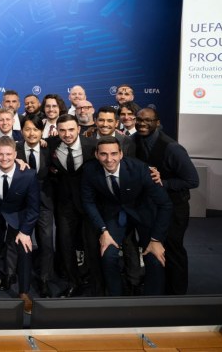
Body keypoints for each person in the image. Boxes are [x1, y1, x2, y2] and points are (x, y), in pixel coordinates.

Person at [81, 137, 173, 296]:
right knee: (108, 255)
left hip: (143, 212)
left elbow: (166, 204)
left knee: (154, 255)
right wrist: (103, 231)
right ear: (96, 155)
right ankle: (116, 299)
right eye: (103, 154)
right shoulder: (89, 170)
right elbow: (88, 202)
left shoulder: (140, 169)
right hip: (114, 213)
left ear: (121, 154)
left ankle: (154, 300)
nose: (109, 159)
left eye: (113, 154)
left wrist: (156, 239)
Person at [134, 107, 199, 295]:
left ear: (157, 123)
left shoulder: (172, 148)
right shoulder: (133, 141)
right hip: (149, 208)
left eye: (147, 120)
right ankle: (157, 291)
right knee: (152, 250)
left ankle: (177, 294)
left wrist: (164, 182)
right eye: (139, 120)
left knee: (172, 249)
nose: (142, 124)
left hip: (175, 208)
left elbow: (193, 181)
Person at [0, 137, 39, 314]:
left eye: (9, 154)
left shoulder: (28, 175)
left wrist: (25, 231)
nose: (4, 158)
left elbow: (33, 208)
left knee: (25, 248)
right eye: (0, 154)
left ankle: (24, 293)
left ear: (16, 155)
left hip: (18, 214)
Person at [47, 114, 103, 297]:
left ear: (79, 129)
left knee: (91, 243)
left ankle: (95, 283)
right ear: (57, 131)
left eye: (71, 129)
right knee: (65, 243)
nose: (67, 134)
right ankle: (73, 281)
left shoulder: (92, 146)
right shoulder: (50, 144)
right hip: (64, 204)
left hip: (89, 203)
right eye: (62, 130)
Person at [17, 113, 54, 297]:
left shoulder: (50, 148)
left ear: (42, 131)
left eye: (36, 129)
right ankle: (17, 278)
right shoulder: (14, 149)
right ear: (21, 131)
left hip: (44, 203)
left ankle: (44, 279)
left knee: (46, 243)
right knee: (21, 243)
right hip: (21, 205)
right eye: (28, 129)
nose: (32, 133)